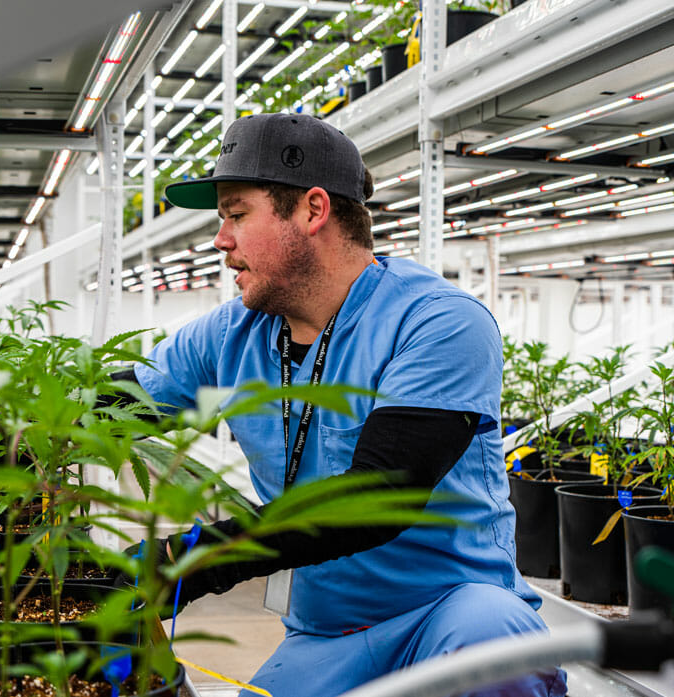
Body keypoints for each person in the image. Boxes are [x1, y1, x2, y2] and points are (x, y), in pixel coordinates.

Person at [121, 113, 566, 697]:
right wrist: (3, 425)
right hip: (329, 633)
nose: (219, 239)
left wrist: (189, 560)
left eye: (235, 214)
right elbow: (113, 403)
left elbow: (379, 495)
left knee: (497, 653)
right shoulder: (231, 333)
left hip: (451, 613)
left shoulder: (437, 322)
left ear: (311, 210)